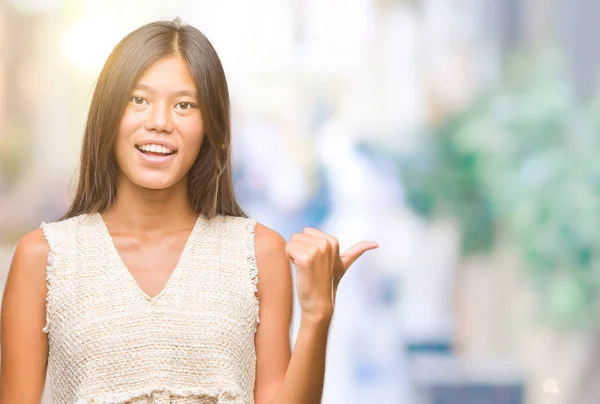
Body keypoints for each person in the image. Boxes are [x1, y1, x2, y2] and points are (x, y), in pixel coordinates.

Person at [0, 18, 378, 404]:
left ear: (209, 125)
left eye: (184, 105)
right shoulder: (45, 257)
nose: (160, 123)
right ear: (108, 113)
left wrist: (316, 315)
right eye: (138, 100)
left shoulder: (258, 253)